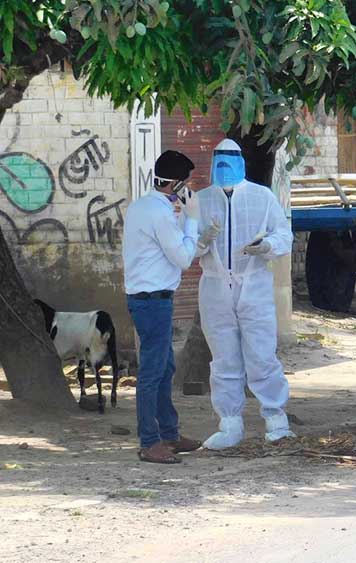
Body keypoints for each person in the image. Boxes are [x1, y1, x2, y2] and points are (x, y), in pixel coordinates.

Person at [196, 139, 294, 450]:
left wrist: (266, 247)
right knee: (223, 358)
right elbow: (187, 247)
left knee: (262, 354)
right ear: (212, 163)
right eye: (219, 160)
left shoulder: (261, 197)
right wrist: (202, 239)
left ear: (241, 163)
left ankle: (276, 421)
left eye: (230, 160)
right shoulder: (200, 201)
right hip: (214, 285)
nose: (224, 167)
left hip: (253, 284)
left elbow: (283, 234)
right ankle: (229, 424)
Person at [123, 150, 220, 464]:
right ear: (177, 185)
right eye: (186, 185)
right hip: (152, 302)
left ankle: (169, 434)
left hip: (150, 300)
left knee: (165, 369)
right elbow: (180, 258)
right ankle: (150, 442)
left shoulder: (144, 207)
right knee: (152, 373)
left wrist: (189, 230)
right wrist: (191, 219)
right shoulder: (159, 213)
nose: (188, 191)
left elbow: (173, 247)